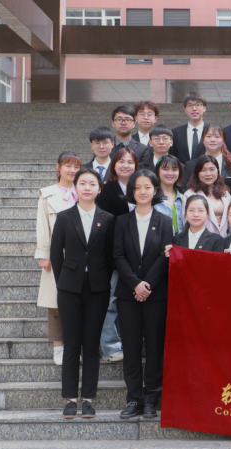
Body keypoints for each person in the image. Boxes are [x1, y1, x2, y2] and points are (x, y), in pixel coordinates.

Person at [50, 168, 115, 419]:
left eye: (92, 183)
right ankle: (70, 399)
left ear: (99, 188)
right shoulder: (64, 217)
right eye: (83, 183)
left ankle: (88, 399)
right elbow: (56, 254)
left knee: (91, 344)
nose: (87, 187)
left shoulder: (107, 218)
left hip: (97, 288)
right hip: (69, 288)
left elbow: (109, 256)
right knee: (71, 344)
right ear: (75, 187)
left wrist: (101, 279)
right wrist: (63, 282)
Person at [113, 169, 173, 419]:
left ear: (155, 190)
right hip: (128, 295)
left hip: (155, 295)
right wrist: (135, 284)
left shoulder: (165, 221)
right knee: (131, 347)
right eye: (137, 187)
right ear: (132, 191)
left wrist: (146, 285)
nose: (142, 191)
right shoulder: (121, 221)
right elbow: (118, 256)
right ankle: (134, 398)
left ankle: (151, 399)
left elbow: (165, 256)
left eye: (147, 187)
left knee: (156, 347)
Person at [35, 152, 82, 366]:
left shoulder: (84, 190)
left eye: (76, 167)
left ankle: (75, 346)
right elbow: (42, 225)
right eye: (68, 166)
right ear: (58, 167)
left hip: (80, 256)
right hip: (57, 255)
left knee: (79, 303)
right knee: (55, 304)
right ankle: (58, 347)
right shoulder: (47, 195)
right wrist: (44, 255)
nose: (72, 170)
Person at [95, 147, 138, 363]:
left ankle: (128, 343)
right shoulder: (106, 191)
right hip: (113, 256)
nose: (126, 165)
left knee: (130, 303)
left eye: (130, 162)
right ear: (113, 165)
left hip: (138, 257)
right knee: (111, 302)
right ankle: (110, 346)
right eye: (121, 161)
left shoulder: (142, 187)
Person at [183, 123, 231, 194]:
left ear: (223, 140)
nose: (212, 140)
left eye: (217, 136)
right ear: (203, 139)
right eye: (208, 136)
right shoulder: (190, 165)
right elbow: (185, 190)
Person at [183, 155, 231, 236]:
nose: (208, 174)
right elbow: (186, 223)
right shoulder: (189, 195)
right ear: (197, 173)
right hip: (201, 241)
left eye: (212, 169)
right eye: (203, 170)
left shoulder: (225, 194)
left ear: (217, 171)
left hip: (224, 240)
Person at [171, 92, 207, 165]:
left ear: (204, 108)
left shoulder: (211, 131)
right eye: (190, 105)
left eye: (198, 105)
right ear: (185, 109)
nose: (194, 109)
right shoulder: (175, 133)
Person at [153, 155, 185, 234]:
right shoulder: (151, 198)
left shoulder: (184, 198)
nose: (170, 173)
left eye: (174, 169)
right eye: (165, 169)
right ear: (158, 171)